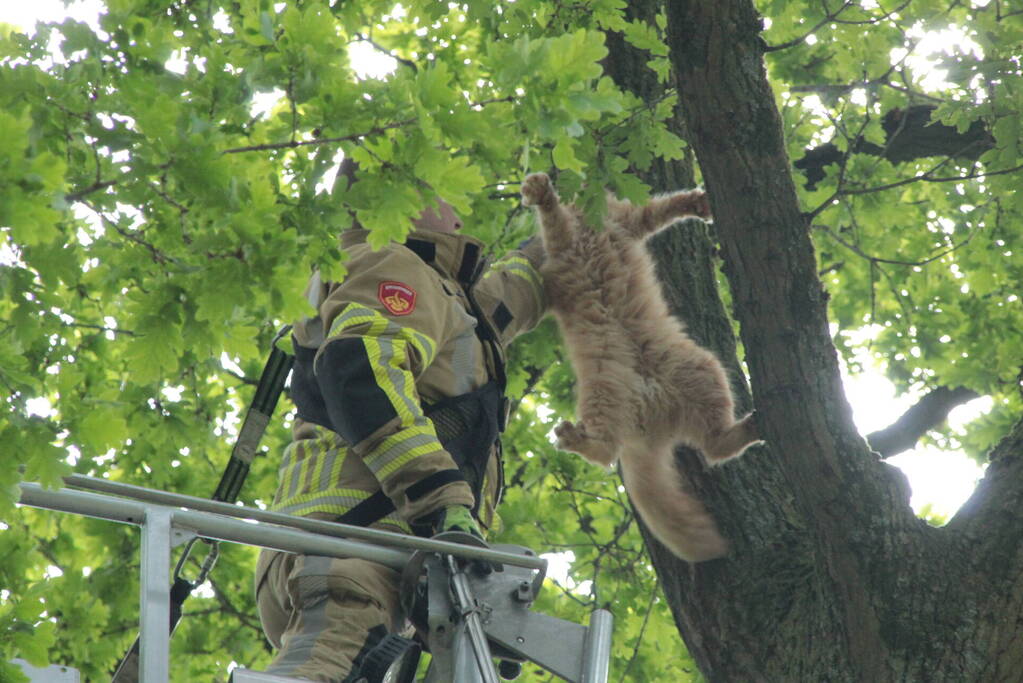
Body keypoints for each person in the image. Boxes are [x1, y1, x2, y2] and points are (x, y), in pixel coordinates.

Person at [254, 158, 546, 681]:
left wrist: (591, 225)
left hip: (358, 549)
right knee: (323, 671)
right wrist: (444, 502)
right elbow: (359, 369)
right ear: (393, 202)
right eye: (444, 192)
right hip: (353, 546)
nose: (460, 214)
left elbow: (513, 295)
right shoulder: (392, 263)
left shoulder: (445, 297)